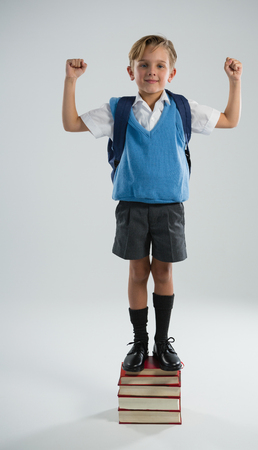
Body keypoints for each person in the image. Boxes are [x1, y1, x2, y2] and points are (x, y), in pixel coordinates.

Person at [62, 35, 242, 372]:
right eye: (143, 64)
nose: (151, 71)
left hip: (169, 208)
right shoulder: (118, 109)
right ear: (130, 71)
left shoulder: (183, 109)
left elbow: (230, 119)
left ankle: (162, 342)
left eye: (160, 65)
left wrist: (234, 81)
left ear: (171, 73)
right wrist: (71, 81)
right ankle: (140, 342)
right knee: (136, 272)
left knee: (163, 271)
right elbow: (71, 123)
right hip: (131, 206)